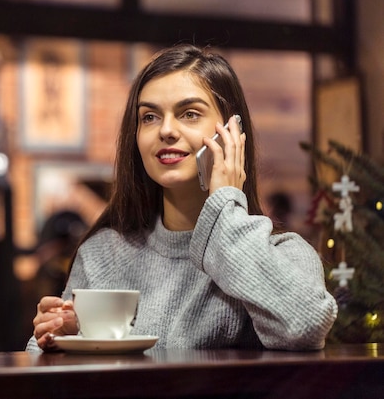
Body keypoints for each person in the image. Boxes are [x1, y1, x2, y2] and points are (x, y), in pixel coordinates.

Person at [27, 43, 337, 352]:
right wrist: (57, 340)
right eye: (149, 117)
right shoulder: (102, 254)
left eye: (189, 113)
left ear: (231, 131)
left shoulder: (286, 254)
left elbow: (306, 327)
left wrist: (227, 205)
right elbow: (45, 374)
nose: (166, 130)